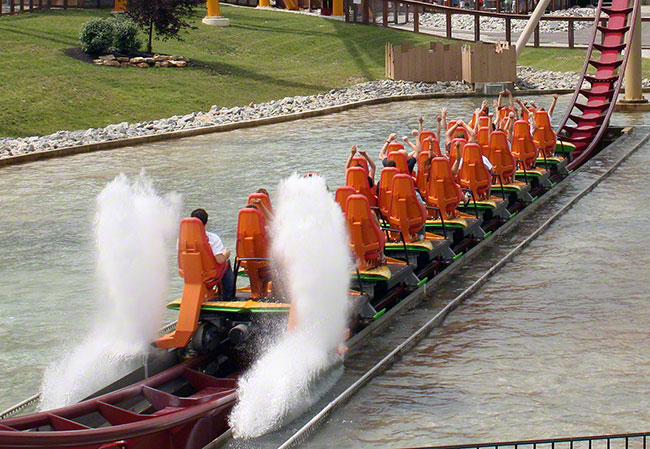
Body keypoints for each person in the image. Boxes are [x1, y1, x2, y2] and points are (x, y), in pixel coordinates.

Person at [190, 208, 235, 299]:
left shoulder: (183, 239)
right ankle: (228, 296)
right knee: (226, 262)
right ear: (206, 223)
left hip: (191, 273)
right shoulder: (212, 238)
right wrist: (226, 253)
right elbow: (220, 260)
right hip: (209, 275)